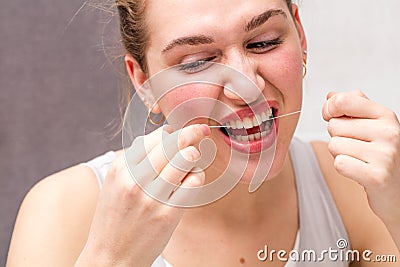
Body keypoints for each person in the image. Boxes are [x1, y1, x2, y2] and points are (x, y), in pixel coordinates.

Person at [6, 0, 400, 266]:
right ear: (144, 82)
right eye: (197, 62)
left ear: (300, 33)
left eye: (264, 42)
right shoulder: (62, 210)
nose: (247, 85)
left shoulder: (352, 190)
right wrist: (111, 259)